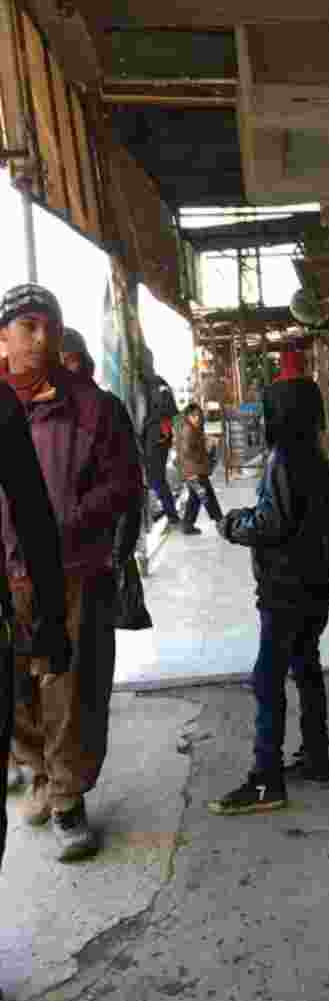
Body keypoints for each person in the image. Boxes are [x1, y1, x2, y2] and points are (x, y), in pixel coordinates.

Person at [0, 284, 143, 862]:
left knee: (69, 688)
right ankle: (36, 773)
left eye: (49, 325)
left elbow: (124, 484)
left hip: (71, 572)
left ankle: (68, 799)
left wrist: (65, 523)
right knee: (16, 690)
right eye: (28, 325)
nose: (42, 336)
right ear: (3, 335)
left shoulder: (94, 406)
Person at [210, 376, 329, 815]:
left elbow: (273, 524)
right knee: (307, 668)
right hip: (315, 588)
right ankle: (316, 758)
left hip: (286, 590)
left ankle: (266, 779)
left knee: (267, 678)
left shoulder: (284, 458)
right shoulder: (316, 459)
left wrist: (232, 524)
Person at [0, 372, 71, 1001]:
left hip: (31, 587)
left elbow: (33, 508)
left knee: (52, 694)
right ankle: (40, 774)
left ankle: (60, 786)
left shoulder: (87, 413)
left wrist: (50, 612)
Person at [61, 327, 149, 631]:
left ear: (70, 360)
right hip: (71, 562)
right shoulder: (42, 410)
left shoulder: (99, 408)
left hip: (88, 562)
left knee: (84, 658)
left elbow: (127, 488)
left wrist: (114, 557)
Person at [178, 402, 223, 536]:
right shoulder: (189, 430)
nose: (196, 418)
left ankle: (187, 525)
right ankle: (221, 522)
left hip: (193, 470)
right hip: (194, 472)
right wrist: (206, 449)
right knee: (208, 496)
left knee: (195, 498)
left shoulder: (192, 427)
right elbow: (187, 451)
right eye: (193, 416)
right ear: (188, 416)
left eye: (198, 415)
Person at [142, 373, 180, 528]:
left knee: (156, 479)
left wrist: (148, 422)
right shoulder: (158, 385)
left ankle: (170, 514)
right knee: (156, 479)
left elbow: (170, 410)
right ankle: (167, 512)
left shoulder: (156, 386)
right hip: (157, 439)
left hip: (157, 439)